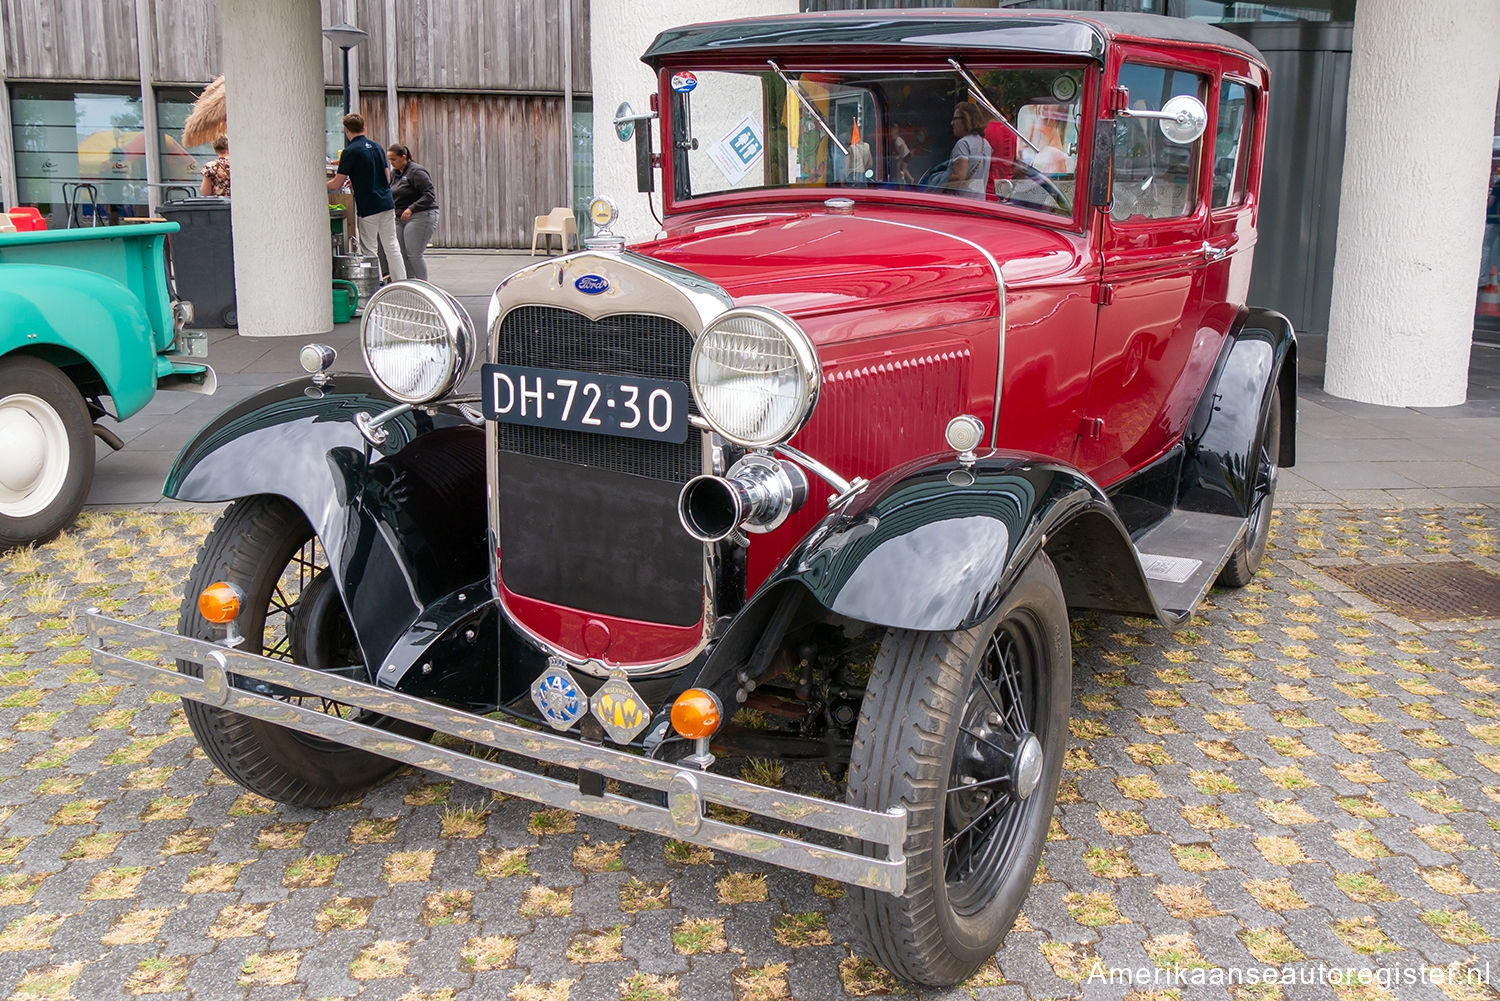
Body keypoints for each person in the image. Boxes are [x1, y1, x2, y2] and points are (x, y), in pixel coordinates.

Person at [327, 113, 406, 282]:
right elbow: (387, 179)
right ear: (364, 127)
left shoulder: (349, 152)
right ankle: (401, 282)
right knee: (392, 245)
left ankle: (374, 284)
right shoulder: (377, 147)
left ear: (347, 130)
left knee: (370, 248)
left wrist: (317, 186)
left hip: (368, 205)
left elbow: (336, 184)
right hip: (386, 202)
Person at [387, 144, 439, 281]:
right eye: (389, 160)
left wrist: (412, 208)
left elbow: (429, 194)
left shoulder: (416, 172)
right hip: (400, 216)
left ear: (403, 157)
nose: (391, 163)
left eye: (394, 159)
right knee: (401, 253)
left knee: (414, 253)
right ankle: (409, 284)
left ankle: (424, 285)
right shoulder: (395, 173)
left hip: (421, 215)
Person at [944, 102, 991, 198]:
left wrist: (938, 181)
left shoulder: (963, 144)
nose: (952, 123)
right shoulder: (986, 144)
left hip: (961, 204)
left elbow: (959, 177)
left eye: (955, 118)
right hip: (979, 204)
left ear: (966, 119)